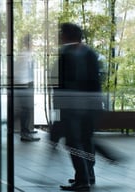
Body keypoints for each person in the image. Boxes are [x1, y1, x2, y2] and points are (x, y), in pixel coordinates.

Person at [53, 22, 102, 191]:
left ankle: (83, 180)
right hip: (89, 106)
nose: (59, 36)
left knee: (73, 142)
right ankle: (87, 175)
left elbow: (60, 85)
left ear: (66, 36)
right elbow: (95, 82)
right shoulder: (89, 53)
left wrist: (58, 110)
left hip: (72, 107)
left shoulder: (66, 54)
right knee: (86, 140)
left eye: (61, 33)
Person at [14, 35, 40, 142]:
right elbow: (18, 70)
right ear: (27, 43)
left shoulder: (27, 54)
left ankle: (25, 130)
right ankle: (24, 133)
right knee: (26, 109)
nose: (33, 45)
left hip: (26, 84)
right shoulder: (24, 55)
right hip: (22, 85)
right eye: (32, 42)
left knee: (27, 108)